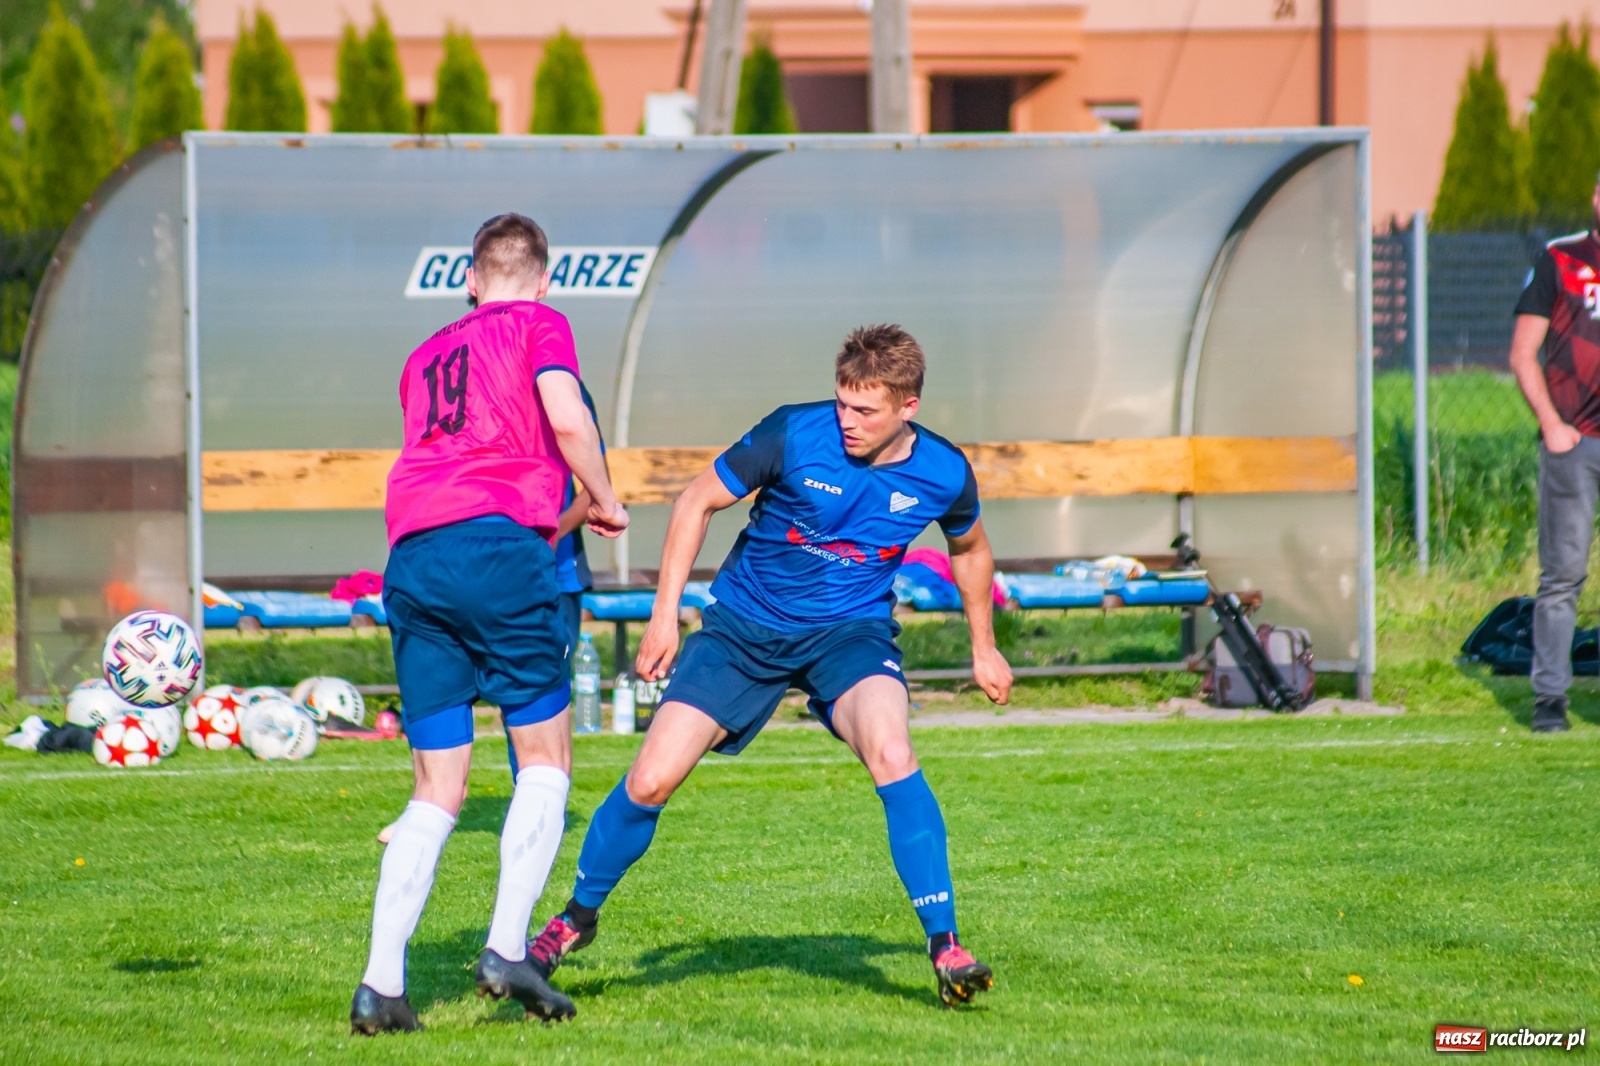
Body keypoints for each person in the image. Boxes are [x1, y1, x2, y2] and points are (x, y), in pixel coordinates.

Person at [525, 324, 1012, 1008]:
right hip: (743, 630)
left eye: (864, 410)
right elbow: (695, 500)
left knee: (893, 751)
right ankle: (575, 920)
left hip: (850, 635)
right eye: (841, 402)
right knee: (651, 779)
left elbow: (971, 547)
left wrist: (983, 646)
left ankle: (945, 945)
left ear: (909, 407)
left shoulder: (943, 470)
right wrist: (665, 615)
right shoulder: (793, 432)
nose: (847, 420)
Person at [350, 213, 627, 1035]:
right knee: (545, 759)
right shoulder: (541, 324)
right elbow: (566, 418)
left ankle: (381, 987)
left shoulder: (422, 356)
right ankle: (508, 949)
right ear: (544, 281)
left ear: (469, 280)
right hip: (497, 547)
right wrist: (604, 497)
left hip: (414, 556)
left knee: (436, 787)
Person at [1510, 175, 1600, 734]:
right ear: (1595, 197)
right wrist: (1552, 426)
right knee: (1563, 576)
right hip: (1576, 443)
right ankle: (1550, 701)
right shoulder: (1560, 260)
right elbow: (1523, 352)